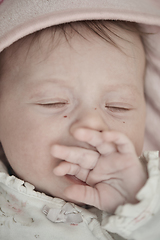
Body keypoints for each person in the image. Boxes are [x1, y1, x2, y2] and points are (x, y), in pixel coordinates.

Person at [0, 1, 160, 240]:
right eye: (53, 102)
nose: (92, 125)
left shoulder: (147, 197)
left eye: (119, 106)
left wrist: (139, 206)